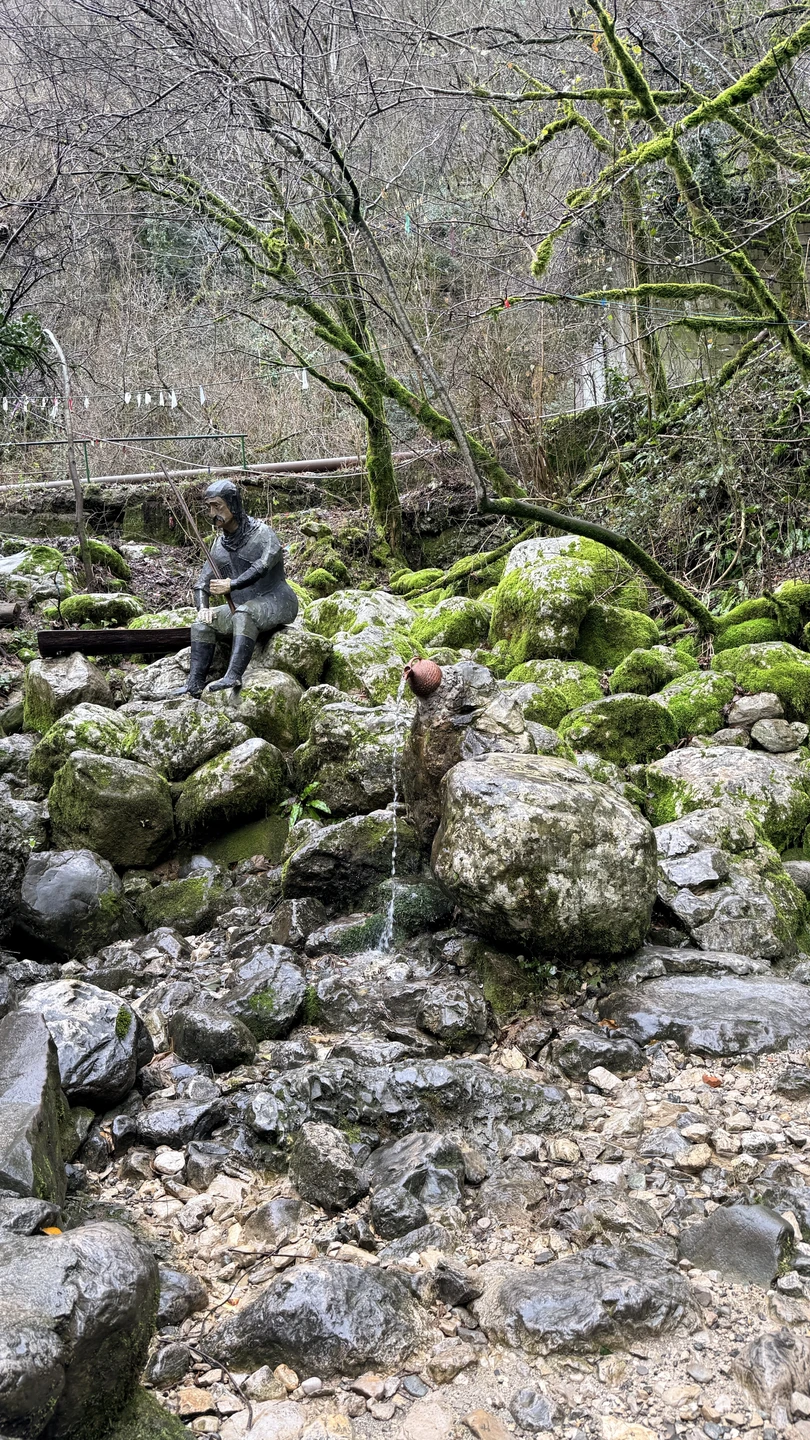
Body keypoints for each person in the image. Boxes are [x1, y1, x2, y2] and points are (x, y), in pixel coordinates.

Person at [178, 478, 299, 696]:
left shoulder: (263, 534)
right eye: (209, 507)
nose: (212, 514)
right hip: (244, 604)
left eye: (217, 506)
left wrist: (231, 584)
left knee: (244, 613)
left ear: (233, 505)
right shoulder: (219, 545)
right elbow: (201, 584)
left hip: (276, 600)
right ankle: (194, 684)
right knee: (201, 624)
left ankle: (233, 675)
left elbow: (262, 567)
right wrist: (202, 608)